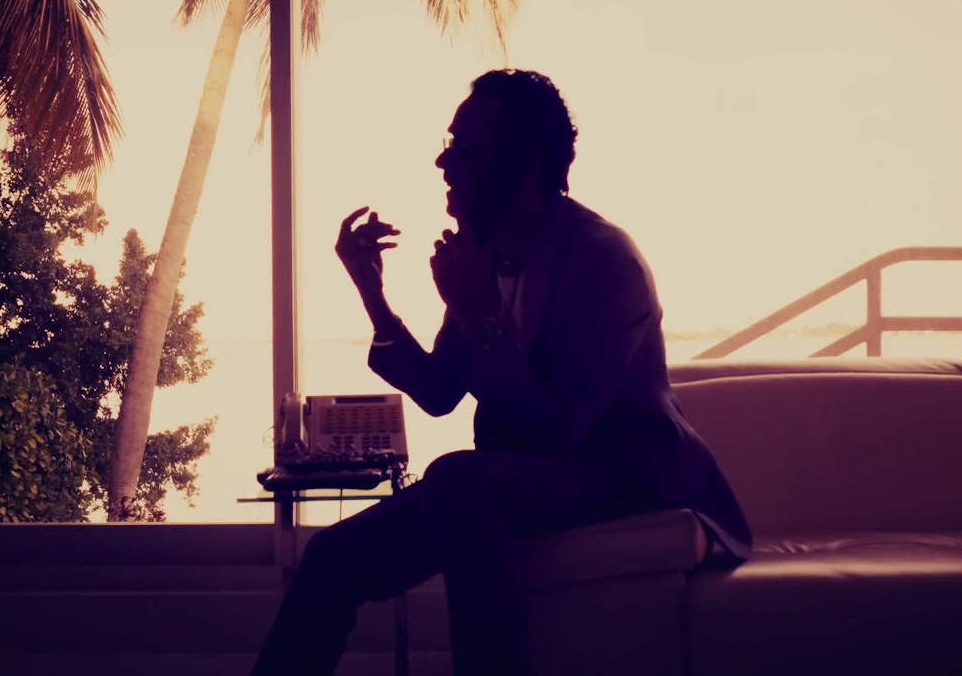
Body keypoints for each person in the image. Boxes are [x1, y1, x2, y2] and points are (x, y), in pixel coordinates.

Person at [251, 69, 750, 676]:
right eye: (448, 143)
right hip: (510, 483)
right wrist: (372, 293)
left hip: (627, 478)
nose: (442, 161)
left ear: (525, 162)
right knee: (331, 558)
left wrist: (479, 311)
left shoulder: (604, 260)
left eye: (464, 147)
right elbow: (439, 391)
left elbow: (563, 428)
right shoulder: (487, 255)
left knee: (460, 480)